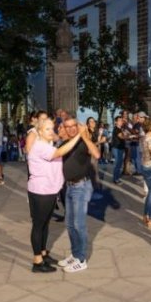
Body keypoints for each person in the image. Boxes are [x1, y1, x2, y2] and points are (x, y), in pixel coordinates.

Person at [27, 118, 83, 273]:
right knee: (39, 225)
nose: (51, 132)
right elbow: (59, 152)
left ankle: (43, 254)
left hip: (49, 190)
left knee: (45, 224)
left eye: (52, 129)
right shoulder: (39, 146)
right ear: (39, 132)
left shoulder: (48, 144)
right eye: (47, 129)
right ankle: (37, 261)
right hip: (41, 191)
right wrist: (79, 135)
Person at [57, 116, 101, 273]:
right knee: (69, 224)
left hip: (81, 187)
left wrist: (84, 136)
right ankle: (75, 254)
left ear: (78, 126)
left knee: (78, 224)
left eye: (73, 126)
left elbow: (96, 154)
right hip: (69, 187)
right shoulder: (67, 143)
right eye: (67, 127)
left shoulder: (82, 143)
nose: (70, 129)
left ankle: (81, 259)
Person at [111, 116, 127, 184]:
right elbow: (121, 137)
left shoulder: (120, 129)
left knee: (119, 164)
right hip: (117, 148)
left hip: (120, 148)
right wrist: (129, 136)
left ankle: (117, 177)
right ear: (116, 122)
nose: (121, 122)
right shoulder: (116, 129)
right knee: (117, 164)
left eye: (121, 120)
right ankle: (116, 179)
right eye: (119, 120)